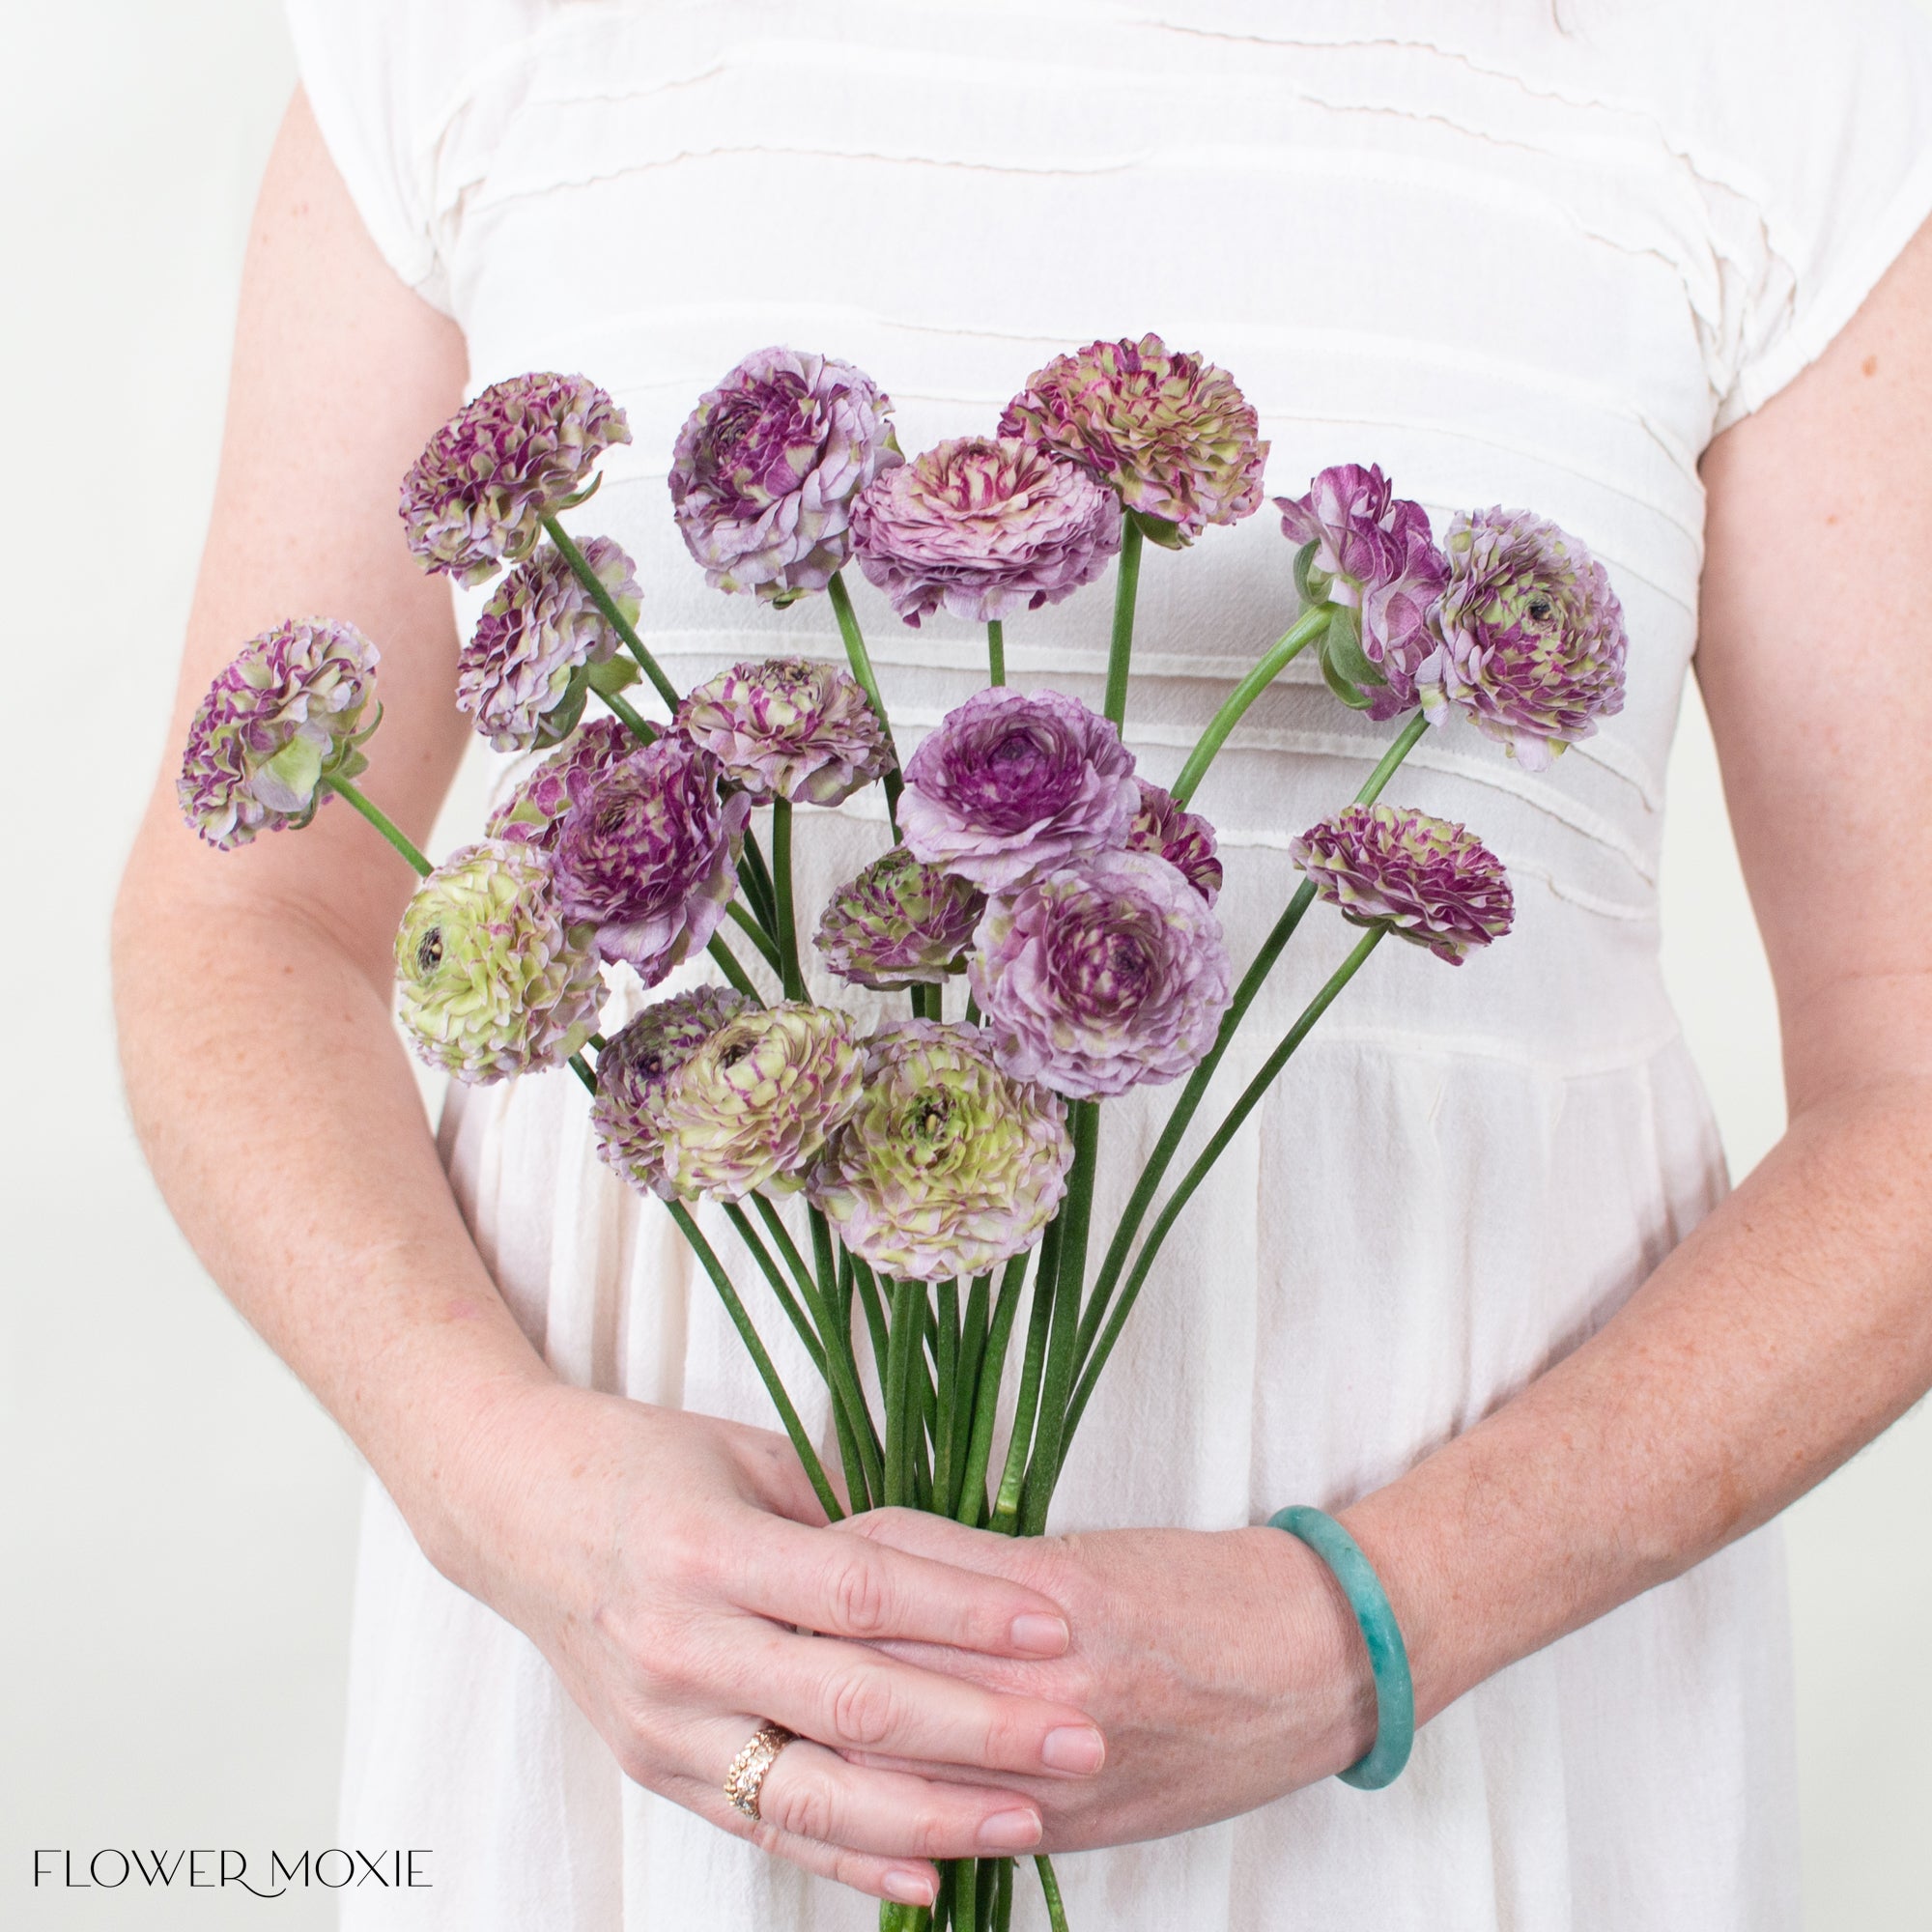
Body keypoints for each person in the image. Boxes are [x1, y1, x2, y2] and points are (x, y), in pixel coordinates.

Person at [114, 1, 1932, 1925]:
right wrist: (502, 1491)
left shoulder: (1783, 80)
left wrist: (1367, 1621)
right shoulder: (461, 42)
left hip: (1459, 1718)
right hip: (654, 1712)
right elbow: (248, 916)